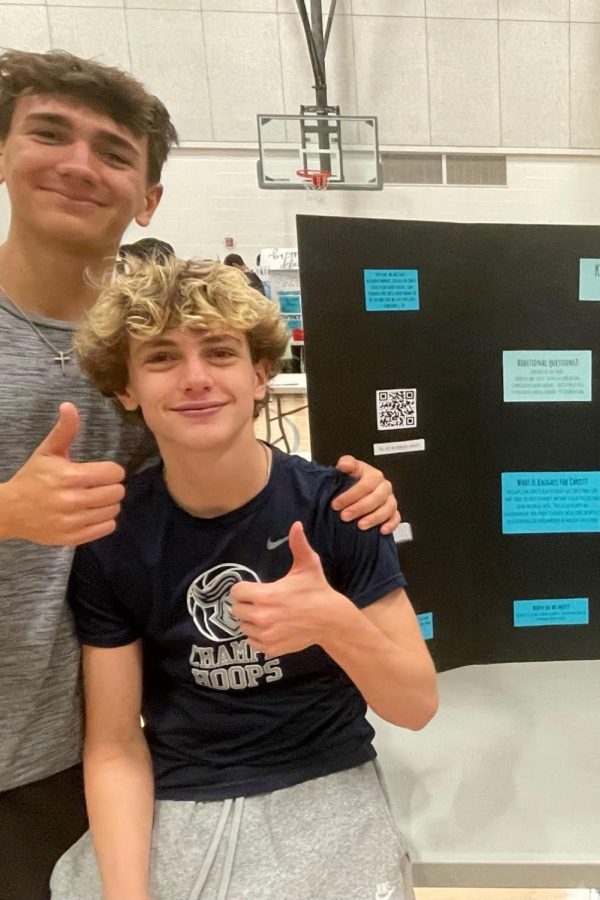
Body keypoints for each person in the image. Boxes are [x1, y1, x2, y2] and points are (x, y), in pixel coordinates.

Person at [0, 49, 399, 900]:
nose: (78, 165)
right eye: (48, 134)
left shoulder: (308, 498)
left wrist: (355, 515)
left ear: (148, 196)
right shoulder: (132, 378)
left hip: (88, 753)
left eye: (112, 151)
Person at [50, 257, 436, 899]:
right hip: (180, 790)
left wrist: (332, 620)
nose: (196, 379)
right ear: (126, 387)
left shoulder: (340, 508)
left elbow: (415, 706)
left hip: (325, 777)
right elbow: (116, 742)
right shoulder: (112, 539)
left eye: (221, 353)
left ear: (260, 375)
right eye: (163, 358)